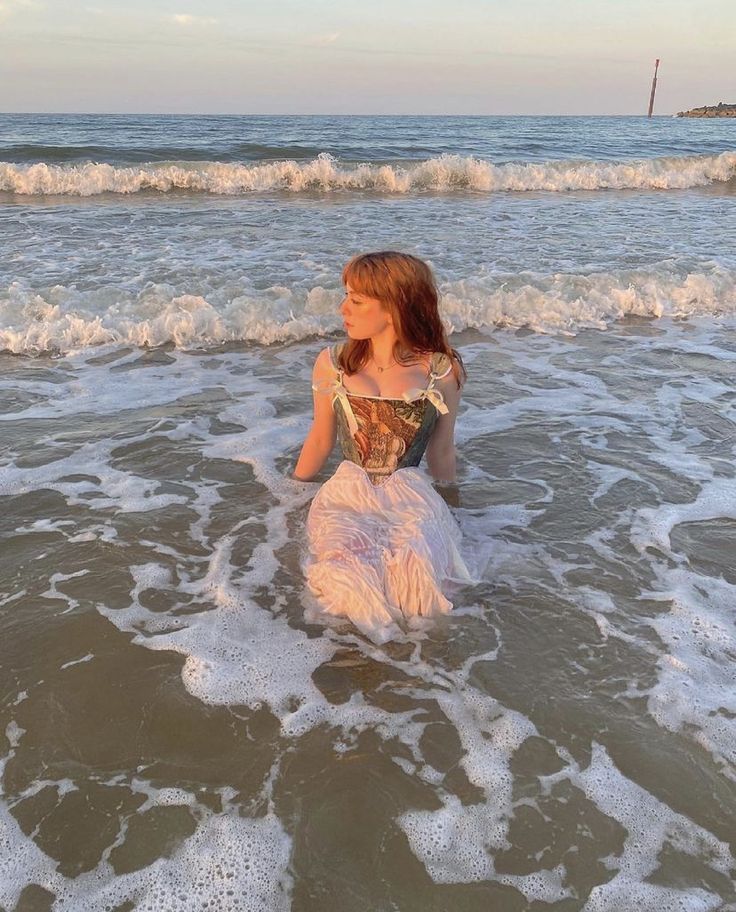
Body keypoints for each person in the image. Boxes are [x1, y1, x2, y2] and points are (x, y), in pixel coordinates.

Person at [293, 251, 471, 643]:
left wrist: (452, 510)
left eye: (356, 300)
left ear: (394, 307)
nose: (343, 308)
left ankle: (416, 669)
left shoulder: (440, 370)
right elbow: (321, 438)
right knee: (344, 572)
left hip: (410, 492)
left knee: (417, 565)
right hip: (347, 492)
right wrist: (290, 493)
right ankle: (361, 656)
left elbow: (442, 450)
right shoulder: (333, 362)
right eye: (346, 296)